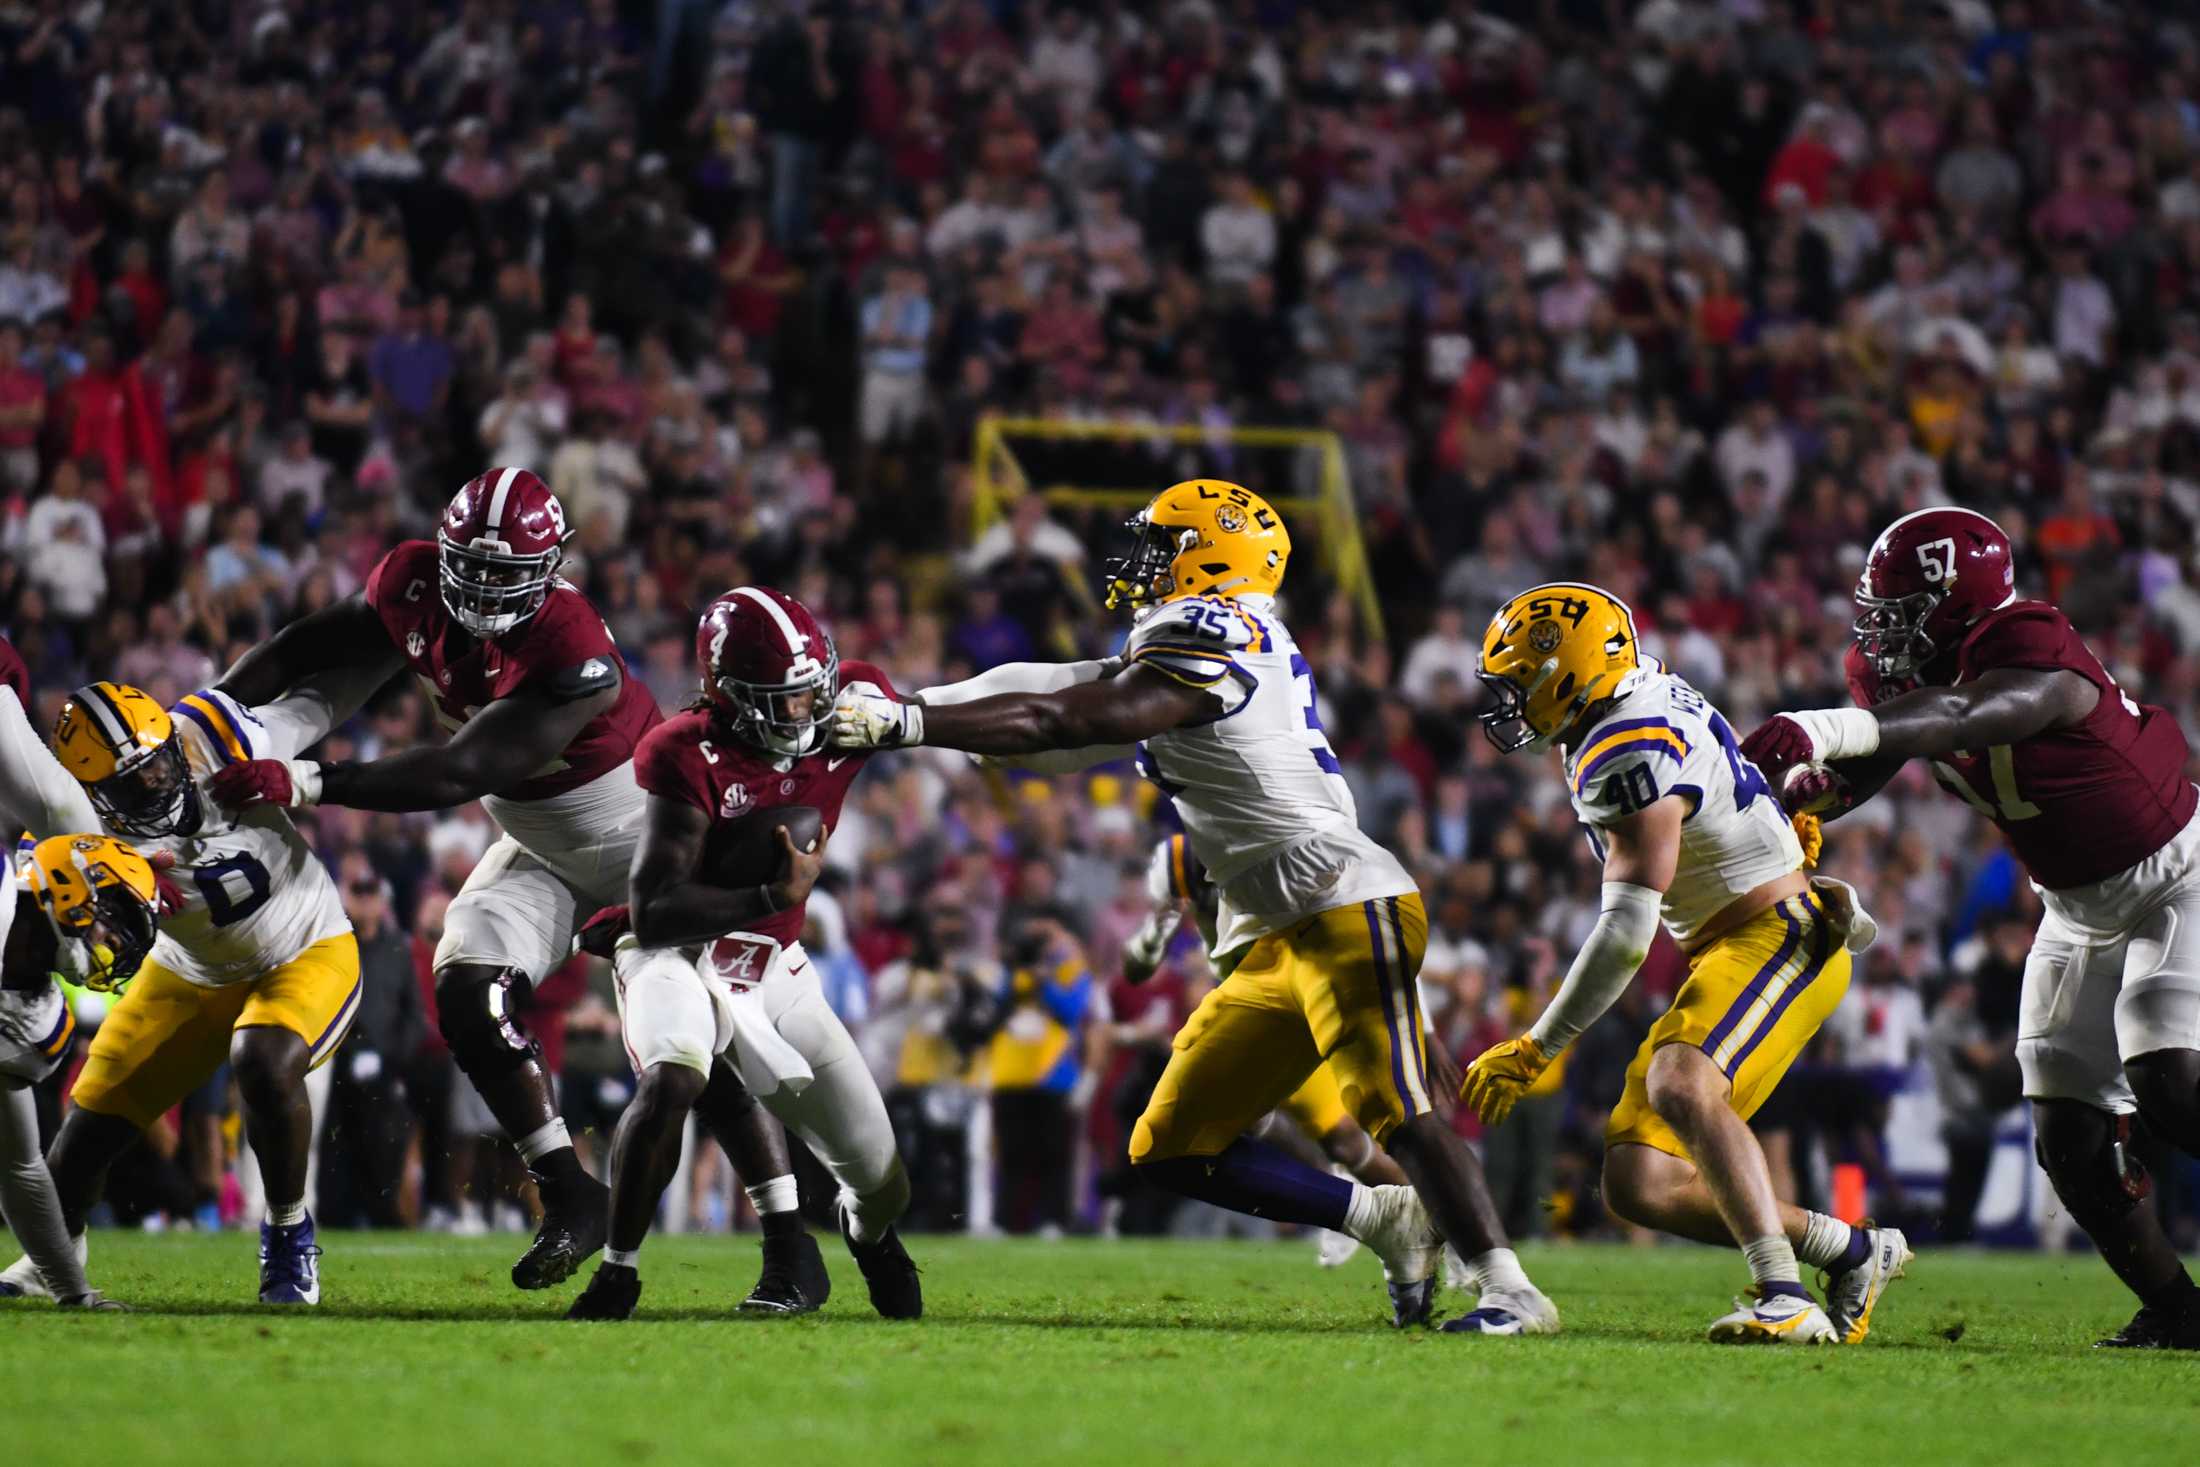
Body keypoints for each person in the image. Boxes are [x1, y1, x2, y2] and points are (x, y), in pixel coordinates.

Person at [831, 480, 1557, 1335]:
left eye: (1164, 544)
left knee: (1398, 1105)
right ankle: (1382, 1219)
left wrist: (909, 722)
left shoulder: (1214, 630)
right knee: (1170, 1146)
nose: (1144, 561)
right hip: (1277, 933)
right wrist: (916, 703)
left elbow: (1071, 716)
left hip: (1339, 900)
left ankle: (1510, 1288)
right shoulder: (1204, 638)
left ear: (1215, 559)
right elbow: (1063, 688)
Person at [1744, 507, 2200, 1350]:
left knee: (2169, 1077)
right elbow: (1888, 749)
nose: (1880, 634)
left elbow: (1957, 714)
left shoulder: (2032, 646)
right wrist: (1823, 789)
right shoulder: (1894, 672)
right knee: (2067, 1136)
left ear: (1961, 604)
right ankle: (2180, 1310)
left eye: (1902, 611)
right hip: (2072, 903)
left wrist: (1820, 728)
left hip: (2179, 871)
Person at [200, 468, 657, 1292]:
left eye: (505, 574)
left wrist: (308, 780)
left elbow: (458, 770)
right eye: (468, 567)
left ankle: (787, 1237)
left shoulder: (573, 645)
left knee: (699, 1042)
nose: (481, 591)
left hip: (643, 839)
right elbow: (306, 647)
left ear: (551, 569)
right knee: (465, 988)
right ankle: (567, 1188)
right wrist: (211, 713)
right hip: (540, 842)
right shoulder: (411, 578)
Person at [1461, 583, 1902, 1344]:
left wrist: (1539, 1044)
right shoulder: (1630, 690)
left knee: (1679, 1080)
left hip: (1776, 938)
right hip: (1735, 942)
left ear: (1567, 674)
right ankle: (1855, 1251)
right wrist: (1778, 827)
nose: (1510, 702)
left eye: (1522, 682)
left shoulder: (1623, 746)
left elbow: (1629, 931)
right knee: (1637, 1181)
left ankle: (1784, 1297)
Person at [564, 587, 920, 1322]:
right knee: (674, 1074)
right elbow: (657, 910)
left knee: (882, 1176)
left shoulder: (851, 709)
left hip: (774, 966)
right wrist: (770, 890)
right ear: (727, 694)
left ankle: (868, 1229)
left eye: (809, 692)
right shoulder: (684, 748)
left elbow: (960, 723)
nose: (802, 712)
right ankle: (619, 1270)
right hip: (678, 951)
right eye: (781, 699)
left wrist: (918, 719)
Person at [2, 679, 360, 1305]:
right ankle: (51, 1257)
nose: (155, 783)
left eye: (157, 763)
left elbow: (317, 692)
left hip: (305, 945)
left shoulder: (215, 738)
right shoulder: (77, 829)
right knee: (81, 1141)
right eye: (129, 779)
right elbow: (42, 914)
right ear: (89, 790)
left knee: (265, 1061)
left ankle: (286, 1232)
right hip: (187, 970)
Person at [1121, 832, 1414, 1264]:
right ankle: (1350, 1204)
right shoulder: (1178, 858)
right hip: (1246, 1013)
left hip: (1298, 1007)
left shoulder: (1273, 837)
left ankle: (1424, 1220)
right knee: (1250, 1125)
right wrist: (1152, 937)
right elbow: (1135, 969)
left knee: (1346, 1143)